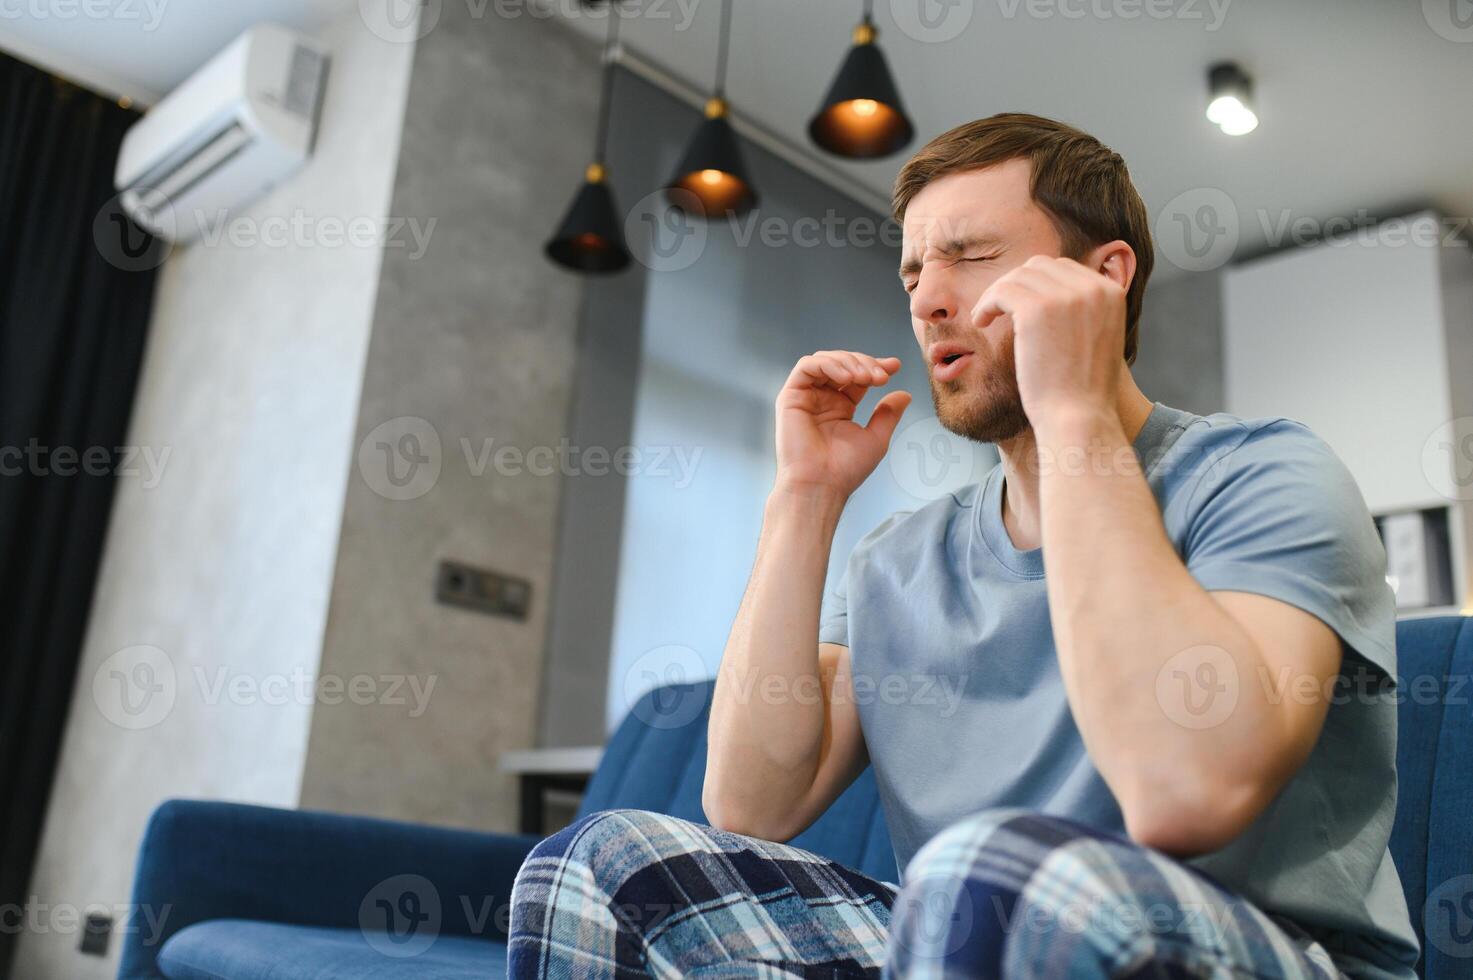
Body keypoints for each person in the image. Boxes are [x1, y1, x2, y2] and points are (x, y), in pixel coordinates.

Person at [508, 113, 1420, 979]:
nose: (930, 301)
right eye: (911, 278)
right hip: (965, 932)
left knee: (990, 872)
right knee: (605, 865)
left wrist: (1072, 409)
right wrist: (805, 498)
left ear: (1104, 278)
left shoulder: (1261, 474)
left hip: (1263, 953)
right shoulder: (900, 558)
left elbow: (1189, 790)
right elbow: (753, 804)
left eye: (971, 259)